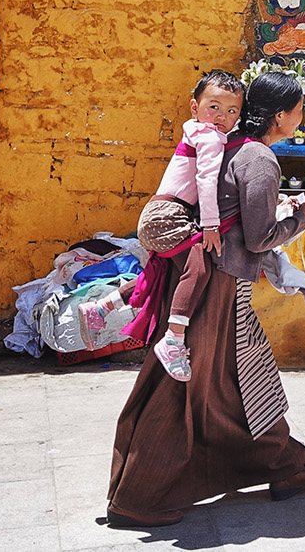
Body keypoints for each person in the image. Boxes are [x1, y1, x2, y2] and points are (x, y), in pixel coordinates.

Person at [107, 71, 305, 528]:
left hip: (217, 280)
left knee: (239, 380)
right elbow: (260, 235)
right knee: (181, 386)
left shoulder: (233, 146)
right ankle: (140, 496)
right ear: (280, 115)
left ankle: (282, 466)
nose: (301, 117)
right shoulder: (259, 158)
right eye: (299, 110)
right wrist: (301, 218)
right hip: (218, 287)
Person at [81, 70, 245, 381]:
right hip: (169, 215)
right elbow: (206, 182)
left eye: (232, 110)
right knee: (199, 269)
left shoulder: (198, 133)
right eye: (214, 107)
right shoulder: (209, 137)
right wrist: (210, 225)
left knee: (163, 270)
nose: (222, 116)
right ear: (194, 108)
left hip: (160, 214)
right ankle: (173, 340)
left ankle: (102, 308)